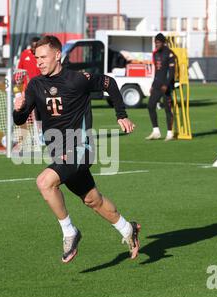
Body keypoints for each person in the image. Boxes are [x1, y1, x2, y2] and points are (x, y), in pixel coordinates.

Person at [13, 35, 141, 263]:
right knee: (93, 200)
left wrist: (121, 115)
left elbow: (109, 83)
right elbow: (21, 119)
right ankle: (128, 229)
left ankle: (69, 232)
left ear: (57, 55)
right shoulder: (35, 84)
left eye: (43, 57)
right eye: (36, 58)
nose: (39, 62)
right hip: (58, 151)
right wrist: (18, 109)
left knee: (44, 182)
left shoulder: (77, 79)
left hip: (81, 147)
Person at [146, 33, 176, 141]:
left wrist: (167, 85)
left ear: (163, 43)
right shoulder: (155, 54)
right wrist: (153, 85)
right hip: (157, 85)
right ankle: (156, 131)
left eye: (158, 42)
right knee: (150, 105)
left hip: (166, 86)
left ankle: (169, 133)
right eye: (155, 42)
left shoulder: (170, 54)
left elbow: (172, 72)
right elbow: (157, 72)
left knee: (167, 109)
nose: (156, 44)